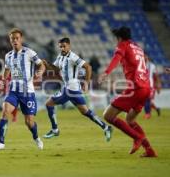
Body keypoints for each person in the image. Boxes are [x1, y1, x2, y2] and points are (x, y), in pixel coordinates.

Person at [98, 26, 157, 157]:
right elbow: (145, 60)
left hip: (136, 88)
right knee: (130, 120)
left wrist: (106, 73)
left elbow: (116, 59)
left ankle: (137, 138)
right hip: (145, 87)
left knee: (108, 115)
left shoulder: (122, 45)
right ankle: (149, 150)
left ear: (119, 38)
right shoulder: (138, 47)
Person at [42, 37, 112, 141]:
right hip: (70, 88)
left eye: (64, 46)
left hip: (71, 87)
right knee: (85, 111)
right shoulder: (60, 56)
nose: (62, 48)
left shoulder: (73, 57)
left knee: (49, 104)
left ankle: (55, 130)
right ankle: (106, 127)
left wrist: (87, 83)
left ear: (69, 46)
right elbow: (56, 69)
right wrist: (47, 64)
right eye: (60, 47)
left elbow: (88, 67)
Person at [0, 28, 46, 150]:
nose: (15, 41)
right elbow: (7, 70)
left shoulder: (29, 52)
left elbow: (41, 64)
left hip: (28, 92)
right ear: (10, 40)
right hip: (13, 91)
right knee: (5, 112)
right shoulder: (8, 55)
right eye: (12, 39)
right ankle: (1, 142)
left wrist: (40, 72)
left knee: (29, 122)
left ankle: (37, 138)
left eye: (17, 38)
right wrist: (2, 79)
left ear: (21, 39)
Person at [144, 54, 161, 119]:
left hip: (150, 85)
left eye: (145, 56)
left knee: (147, 99)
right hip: (142, 84)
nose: (144, 57)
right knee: (146, 101)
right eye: (143, 56)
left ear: (147, 57)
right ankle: (157, 109)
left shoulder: (152, 66)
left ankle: (147, 114)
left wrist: (158, 86)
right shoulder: (140, 64)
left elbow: (156, 77)